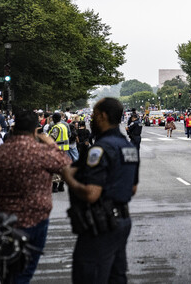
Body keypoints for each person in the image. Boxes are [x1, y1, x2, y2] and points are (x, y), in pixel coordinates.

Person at [62, 98, 140, 284]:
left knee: (90, 275)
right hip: (121, 220)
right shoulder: (128, 147)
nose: (92, 120)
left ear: (103, 116)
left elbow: (91, 193)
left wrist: (69, 179)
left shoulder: (100, 149)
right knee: (116, 276)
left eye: (95, 115)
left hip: (100, 225)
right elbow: (133, 188)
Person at [0, 111, 72, 283]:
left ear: (14, 127)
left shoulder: (0, 153)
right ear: (35, 130)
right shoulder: (40, 152)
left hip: (6, 219)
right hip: (35, 219)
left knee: (10, 269)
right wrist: (52, 145)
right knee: (25, 271)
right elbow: (67, 166)